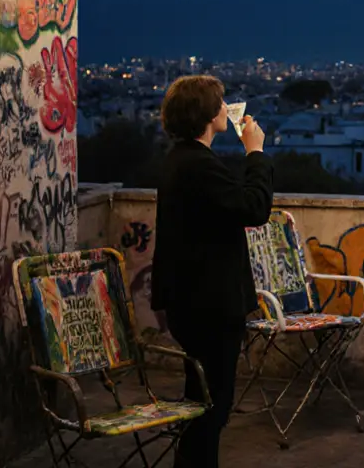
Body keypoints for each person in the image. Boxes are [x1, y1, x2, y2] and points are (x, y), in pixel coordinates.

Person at [150, 75, 273, 468]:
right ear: (206, 114)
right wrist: (255, 153)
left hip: (191, 302)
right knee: (212, 407)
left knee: (199, 402)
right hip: (209, 305)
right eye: (220, 104)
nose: (226, 109)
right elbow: (254, 207)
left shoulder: (180, 160)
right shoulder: (198, 166)